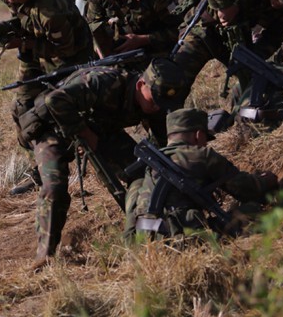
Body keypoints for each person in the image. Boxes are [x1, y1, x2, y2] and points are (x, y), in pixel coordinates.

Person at [17, 58, 188, 269]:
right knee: (54, 189)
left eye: (162, 104)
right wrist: (84, 133)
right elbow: (55, 100)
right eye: (154, 100)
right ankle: (45, 255)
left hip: (100, 129)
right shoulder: (103, 82)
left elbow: (163, 148)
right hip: (53, 128)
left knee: (142, 173)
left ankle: (141, 231)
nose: (156, 108)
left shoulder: (154, 102)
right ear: (140, 85)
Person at [0, 0, 95, 196]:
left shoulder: (51, 12)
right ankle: (40, 165)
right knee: (22, 109)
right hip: (35, 50)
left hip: (70, 60)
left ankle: (78, 166)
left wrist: (26, 43)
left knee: (54, 110)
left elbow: (66, 50)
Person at [126, 108, 277, 241]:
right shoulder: (202, 155)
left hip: (148, 241)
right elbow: (246, 189)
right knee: (253, 209)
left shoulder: (153, 164)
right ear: (198, 135)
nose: (206, 143)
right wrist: (266, 180)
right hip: (185, 239)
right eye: (206, 138)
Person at [172, 0, 283, 89]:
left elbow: (274, 38)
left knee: (255, 84)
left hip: (236, 40)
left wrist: (253, 57)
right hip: (204, 29)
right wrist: (223, 6)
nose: (280, 3)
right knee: (174, 80)